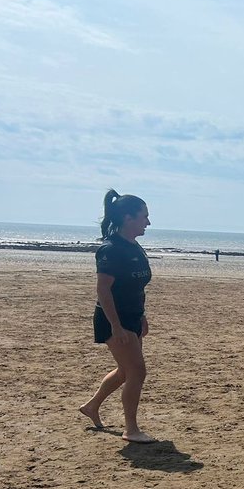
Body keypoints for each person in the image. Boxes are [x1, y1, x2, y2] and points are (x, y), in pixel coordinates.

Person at [79, 190, 156, 443]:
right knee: (137, 371)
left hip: (132, 317)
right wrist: (116, 327)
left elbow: (137, 287)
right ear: (127, 217)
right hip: (114, 320)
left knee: (125, 371)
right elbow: (103, 290)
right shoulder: (111, 249)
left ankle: (92, 406)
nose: (148, 222)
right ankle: (131, 430)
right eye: (144, 216)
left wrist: (142, 315)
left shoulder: (134, 246)